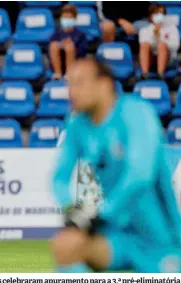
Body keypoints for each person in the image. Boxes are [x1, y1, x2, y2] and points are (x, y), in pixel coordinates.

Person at [51, 57, 181, 273]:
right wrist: (73, 212)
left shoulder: (136, 113)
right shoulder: (77, 124)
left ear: (104, 85)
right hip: (116, 234)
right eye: (69, 84)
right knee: (67, 249)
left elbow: (140, 176)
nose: (71, 92)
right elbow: (59, 178)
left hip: (161, 239)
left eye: (79, 83)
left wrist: (98, 216)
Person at [139, 4, 179, 80]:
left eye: (161, 13)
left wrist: (162, 40)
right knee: (144, 45)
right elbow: (144, 45)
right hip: (151, 59)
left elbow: (175, 46)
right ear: (150, 16)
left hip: (168, 59)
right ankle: (145, 73)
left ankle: (160, 74)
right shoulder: (144, 30)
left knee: (162, 45)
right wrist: (155, 34)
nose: (159, 16)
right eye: (156, 13)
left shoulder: (172, 28)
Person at [49, 4, 88, 80]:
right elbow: (49, 51)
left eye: (69, 17)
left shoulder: (80, 35)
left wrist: (72, 47)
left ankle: (69, 74)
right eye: (65, 17)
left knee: (69, 46)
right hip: (59, 63)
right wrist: (61, 46)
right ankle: (58, 74)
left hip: (75, 63)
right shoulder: (56, 34)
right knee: (54, 45)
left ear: (75, 19)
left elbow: (83, 51)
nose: (67, 19)